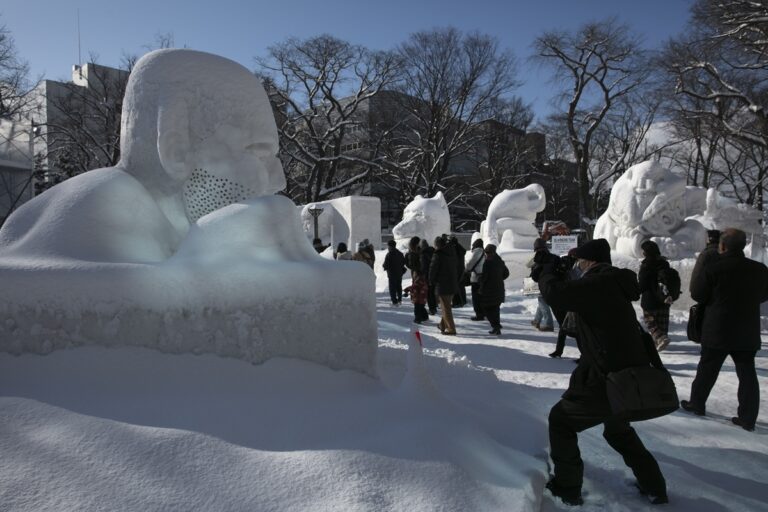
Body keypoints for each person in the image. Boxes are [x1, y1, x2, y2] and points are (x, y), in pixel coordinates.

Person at [538, 238, 668, 506]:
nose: (577, 267)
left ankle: (568, 488)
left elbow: (555, 294)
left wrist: (549, 269)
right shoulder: (613, 282)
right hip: (626, 374)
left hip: (606, 376)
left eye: (579, 262)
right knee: (618, 429)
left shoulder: (597, 283)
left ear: (589, 262)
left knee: (561, 421)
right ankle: (654, 486)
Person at [681, 228, 768, 432]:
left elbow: (698, 294)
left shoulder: (714, 269)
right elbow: (764, 295)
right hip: (747, 328)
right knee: (747, 373)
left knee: (707, 369)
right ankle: (747, 417)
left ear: (722, 245)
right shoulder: (760, 269)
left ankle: (697, 403)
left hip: (717, 327)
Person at [638, 240, 673, 351]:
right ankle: (661, 339)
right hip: (664, 299)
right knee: (662, 322)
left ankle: (660, 338)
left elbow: (642, 284)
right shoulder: (664, 263)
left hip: (650, 300)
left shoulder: (646, 265)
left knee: (651, 322)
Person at [548, 250, 581, 358]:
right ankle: (558, 350)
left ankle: (584, 354)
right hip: (567, 298)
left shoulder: (579, 266)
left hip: (575, 300)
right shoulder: (568, 266)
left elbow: (578, 279)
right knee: (564, 327)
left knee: (576, 329)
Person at [429, 236, 458, 335]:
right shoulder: (452, 253)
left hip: (443, 284)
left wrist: (430, 280)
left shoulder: (438, 255)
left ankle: (451, 329)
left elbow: (433, 269)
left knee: (446, 308)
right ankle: (443, 325)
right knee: (446, 306)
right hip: (452, 283)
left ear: (437, 245)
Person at [478, 244, 509, 335]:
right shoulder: (499, 261)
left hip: (489, 290)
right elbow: (506, 273)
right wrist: (498, 278)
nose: (487, 254)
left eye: (488, 252)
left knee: (487, 308)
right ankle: (496, 328)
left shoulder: (487, 263)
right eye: (486, 252)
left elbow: (484, 278)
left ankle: (496, 326)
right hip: (499, 289)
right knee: (495, 309)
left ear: (492, 252)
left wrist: (480, 282)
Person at [528, 238, 557, 332]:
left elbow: (530, 267)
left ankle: (549, 324)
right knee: (542, 302)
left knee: (542, 301)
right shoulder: (553, 257)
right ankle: (536, 320)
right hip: (553, 281)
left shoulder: (538, 257)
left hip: (542, 282)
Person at [404, 237, 429, 323]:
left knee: (417, 298)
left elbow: (411, 265)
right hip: (422, 277)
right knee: (420, 297)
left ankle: (418, 317)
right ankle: (424, 315)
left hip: (418, 276)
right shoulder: (422, 252)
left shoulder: (415, 254)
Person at [465, 239, 486, 321]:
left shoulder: (477, 252)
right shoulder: (484, 252)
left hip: (476, 278)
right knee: (481, 296)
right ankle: (483, 313)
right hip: (482, 277)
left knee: (476, 298)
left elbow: (469, 266)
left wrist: (466, 266)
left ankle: (479, 314)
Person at [383, 239, 406, 306]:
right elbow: (403, 262)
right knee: (399, 287)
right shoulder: (400, 253)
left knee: (392, 288)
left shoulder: (389, 254)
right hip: (399, 273)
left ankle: (394, 302)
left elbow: (385, 265)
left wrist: (384, 267)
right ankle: (399, 300)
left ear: (389, 246)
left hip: (392, 274)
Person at [420, 239, 438, 315]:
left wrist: (422, 274)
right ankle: (435, 306)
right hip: (435, 274)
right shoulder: (434, 251)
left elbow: (423, 267)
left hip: (427, 275)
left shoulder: (423, 254)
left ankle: (432, 309)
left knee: (429, 293)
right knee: (433, 291)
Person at [449, 235, 467, 307]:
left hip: (455, 269)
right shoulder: (460, 248)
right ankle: (463, 300)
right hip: (461, 269)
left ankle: (457, 302)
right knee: (461, 286)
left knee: (456, 286)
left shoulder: (453, 248)